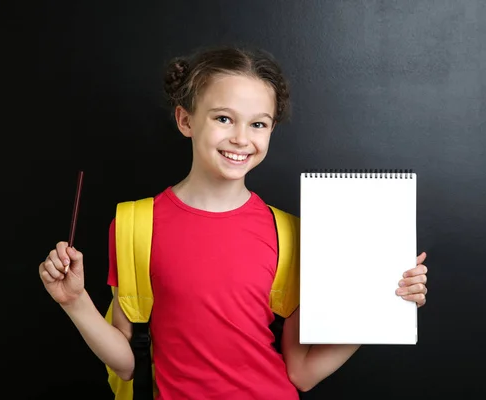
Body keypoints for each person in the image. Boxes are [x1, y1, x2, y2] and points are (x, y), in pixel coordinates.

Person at [38, 45, 429, 400]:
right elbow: (127, 363)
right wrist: (75, 301)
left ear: (271, 130)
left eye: (258, 124)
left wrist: (383, 308)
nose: (241, 138)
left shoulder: (291, 233)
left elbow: (302, 373)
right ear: (185, 120)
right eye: (224, 118)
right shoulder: (134, 223)